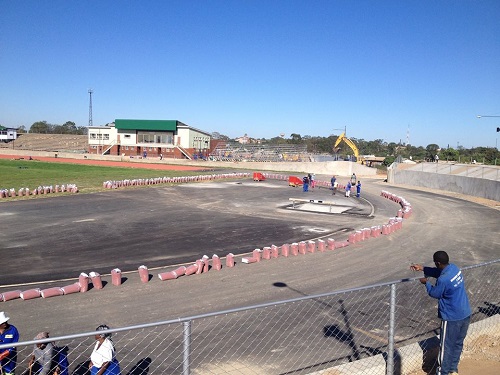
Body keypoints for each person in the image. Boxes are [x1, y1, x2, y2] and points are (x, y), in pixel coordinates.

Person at [410, 251, 471, 375]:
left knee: (446, 347)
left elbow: (434, 293)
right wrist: (423, 268)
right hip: (465, 313)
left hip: (452, 317)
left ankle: (442, 372)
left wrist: (426, 283)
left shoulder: (443, 280)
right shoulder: (454, 268)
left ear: (437, 263)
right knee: (458, 343)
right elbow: (439, 272)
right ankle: (453, 369)